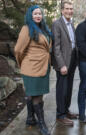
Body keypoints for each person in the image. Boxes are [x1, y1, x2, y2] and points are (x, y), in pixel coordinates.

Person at [14, 5, 52, 135]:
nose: (38, 16)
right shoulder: (26, 29)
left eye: (40, 14)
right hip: (31, 68)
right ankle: (42, 124)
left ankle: (30, 118)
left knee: (32, 93)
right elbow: (18, 50)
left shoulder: (43, 29)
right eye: (35, 14)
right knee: (37, 97)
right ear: (30, 15)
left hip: (43, 66)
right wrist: (23, 64)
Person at [51, 1, 78, 126]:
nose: (69, 11)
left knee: (69, 88)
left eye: (71, 9)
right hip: (62, 62)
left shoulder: (71, 23)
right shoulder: (57, 24)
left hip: (72, 60)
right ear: (62, 10)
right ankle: (60, 115)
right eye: (67, 9)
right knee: (62, 89)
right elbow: (56, 47)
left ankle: (66, 110)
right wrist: (61, 65)